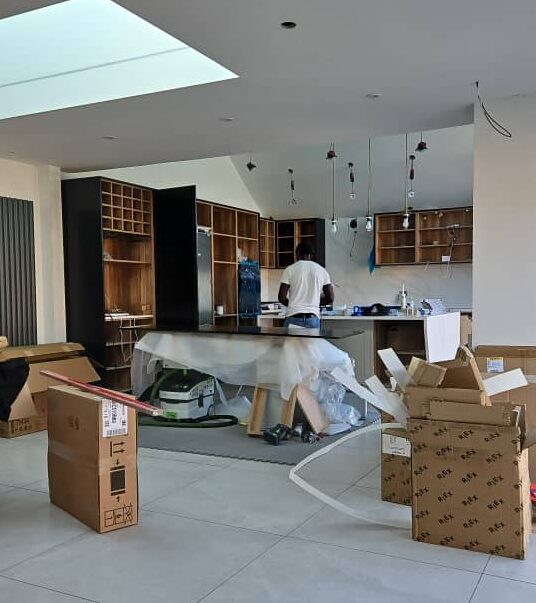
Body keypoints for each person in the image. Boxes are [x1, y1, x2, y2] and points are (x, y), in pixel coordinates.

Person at [278, 242, 334, 328]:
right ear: (311, 255)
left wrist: (294, 305)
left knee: (289, 338)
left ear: (297, 254)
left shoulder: (289, 270)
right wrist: (315, 303)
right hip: (313, 318)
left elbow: (281, 297)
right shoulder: (322, 270)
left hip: (293, 317)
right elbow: (330, 298)